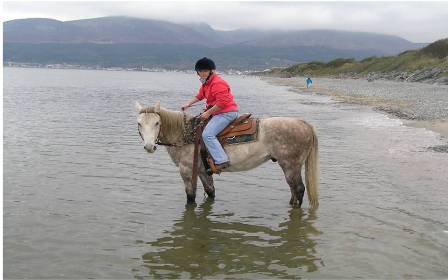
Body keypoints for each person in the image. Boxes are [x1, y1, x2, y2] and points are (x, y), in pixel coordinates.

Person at [181, 57, 238, 170]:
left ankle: (222, 160)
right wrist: (188, 104)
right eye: (200, 71)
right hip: (217, 112)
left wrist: (207, 113)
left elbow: (222, 103)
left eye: (205, 71)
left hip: (226, 113)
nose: (202, 73)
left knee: (207, 135)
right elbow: (200, 96)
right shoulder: (206, 83)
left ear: (211, 71)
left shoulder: (218, 83)